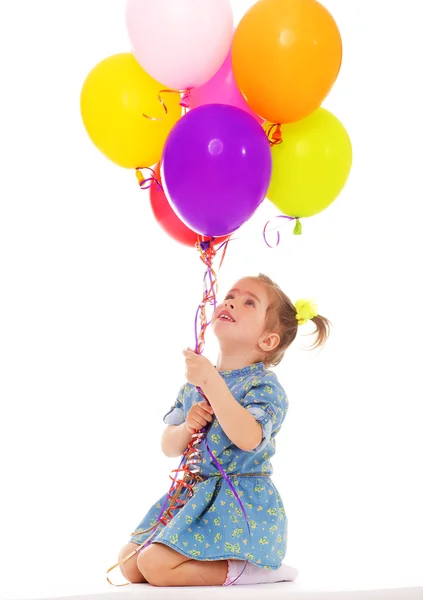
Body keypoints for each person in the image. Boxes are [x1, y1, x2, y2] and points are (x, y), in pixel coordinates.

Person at [117, 273, 331, 587]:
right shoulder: (196, 382)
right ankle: (200, 560)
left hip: (237, 504)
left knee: (156, 566)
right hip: (194, 496)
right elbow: (169, 446)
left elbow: (248, 438)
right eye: (231, 295)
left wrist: (211, 382)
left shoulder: (263, 386)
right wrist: (188, 425)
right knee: (130, 564)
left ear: (268, 340)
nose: (231, 302)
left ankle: (254, 570)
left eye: (249, 302)